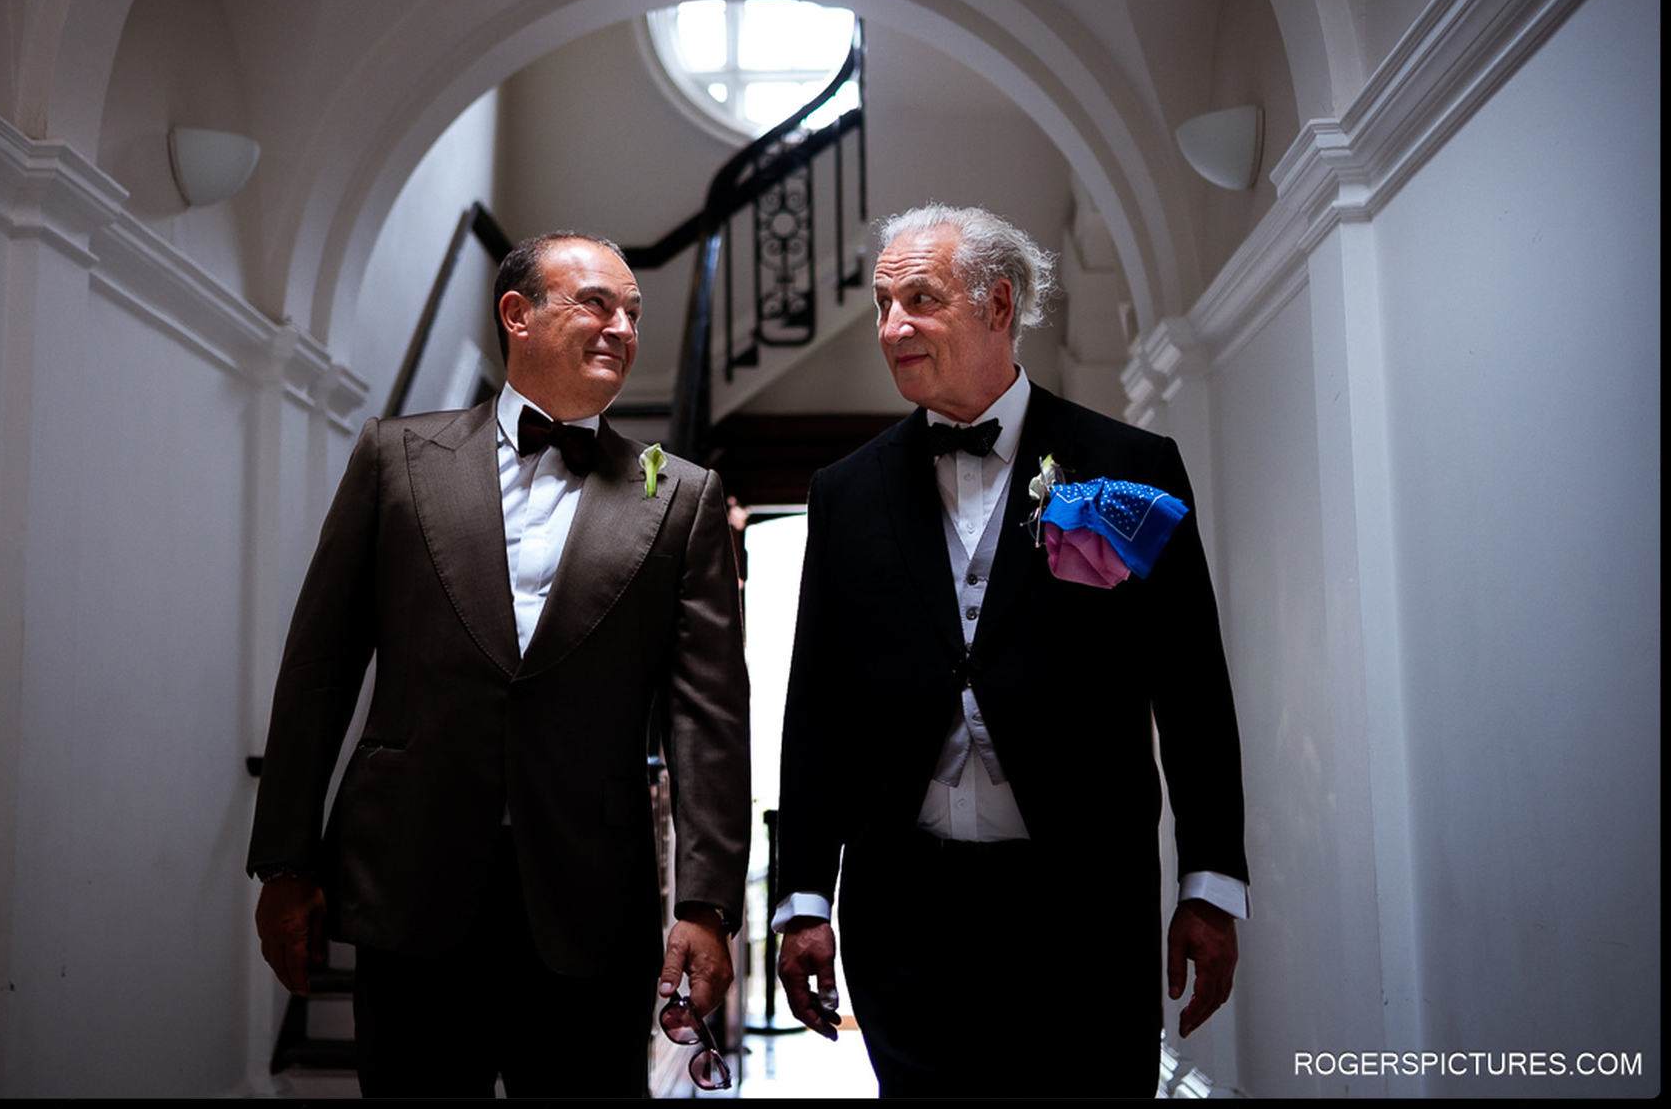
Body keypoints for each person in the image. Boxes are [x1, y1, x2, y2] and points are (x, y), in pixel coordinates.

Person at [247, 231, 750, 1098]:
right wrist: (287, 860)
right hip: (407, 883)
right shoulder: (394, 456)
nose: (622, 327)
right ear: (517, 314)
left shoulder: (682, 495)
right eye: (597, 303)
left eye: (634, 311)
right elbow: (320, 667)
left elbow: (707, 716)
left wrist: (705, 905)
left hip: (591, 900)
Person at [774, 204, 1249, 1097]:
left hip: (1081, 909)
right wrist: (803, 893)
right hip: (905, 918)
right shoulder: (847, 492)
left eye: (919, 298)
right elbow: (817, 707)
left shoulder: (1124, 469)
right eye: (882, 304)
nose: (892, 327)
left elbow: (1189, 687)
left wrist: (1211, 878)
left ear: (998, 306)